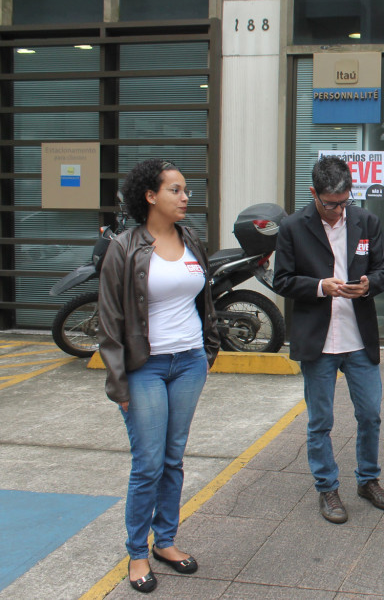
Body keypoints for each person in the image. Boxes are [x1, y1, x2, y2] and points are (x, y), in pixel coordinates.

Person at [98, 159, 219, 593]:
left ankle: (165, 541)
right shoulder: (125, 246)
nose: (185, 197)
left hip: (188, 363)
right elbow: (109, 319)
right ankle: (136, 553)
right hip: (144, 367)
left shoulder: (191, 240)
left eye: (185, 190)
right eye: (176, 190)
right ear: (150, 196)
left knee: (173, 458)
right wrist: (118, 381)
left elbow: (205, 300)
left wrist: (207, 351)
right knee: (147, 463)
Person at [273, 155, 384, 524]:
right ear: (314, 193)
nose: (338, 210)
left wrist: (368, 285)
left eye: (344, 202)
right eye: (330, 204)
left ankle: (368, 480)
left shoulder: (366, 221)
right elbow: (282, 280)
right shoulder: (293, 227)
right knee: (320, 421)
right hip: (319, 341)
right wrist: (320, 286)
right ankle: (327, 488)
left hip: (359, 338)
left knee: (370, 414)